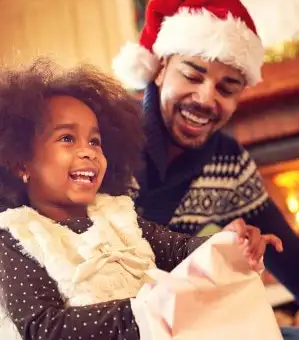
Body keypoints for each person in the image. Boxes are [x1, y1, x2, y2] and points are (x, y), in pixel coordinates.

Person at [112, 0, 299, 339]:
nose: (206, 98)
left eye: (226, 88)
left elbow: (292, 259)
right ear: (159, 69)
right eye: (192, 75)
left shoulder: (229, 164)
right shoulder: (106, 143)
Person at [0, 59, 283, 339]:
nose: (88, 152)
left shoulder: (117, 214)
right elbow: (42, 328)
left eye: (95, 141)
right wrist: (142, 312)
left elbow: (179, 248)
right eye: (67, 138)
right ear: (21, 162)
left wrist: (230, 243)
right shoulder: (16, 236)